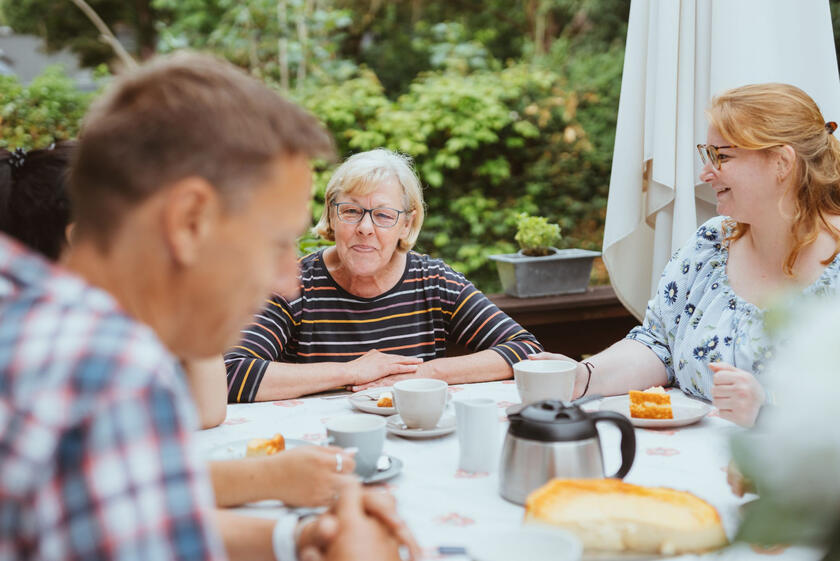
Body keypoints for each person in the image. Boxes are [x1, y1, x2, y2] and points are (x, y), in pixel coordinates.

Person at [0, 52, 413, 561]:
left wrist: (296, 539)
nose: (289, 282)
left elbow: (134, 516)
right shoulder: (111, 374)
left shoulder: (27, 304)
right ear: (190, 221)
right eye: (275, 242)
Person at [532, 83, 840, 428]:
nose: (706, 173)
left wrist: (767, 416)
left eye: (721, 156)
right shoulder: (710, 244)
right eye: (706, 155)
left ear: (782, 161)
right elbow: (658, 345)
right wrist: (582, 376)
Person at [225, 148, 543, 402]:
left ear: (406, 223)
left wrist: (427, 373)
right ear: (331, 216)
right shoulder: (296, 285)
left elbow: (525, 350)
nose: (365, 228)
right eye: (351, 211)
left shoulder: (432, 282)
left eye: (383, 215)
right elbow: (231, 373)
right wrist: (351, 372)